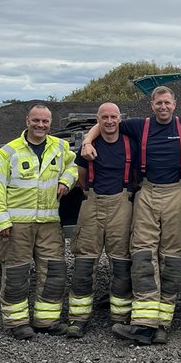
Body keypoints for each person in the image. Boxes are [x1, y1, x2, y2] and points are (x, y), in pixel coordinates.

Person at [79, 87, 181, 346]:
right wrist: (87, 141)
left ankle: (162, 324)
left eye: (167, 102)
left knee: (171, 257)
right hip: (147, 192)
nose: (163, 107)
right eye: (158, 103)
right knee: (143, 253)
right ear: (151, 105)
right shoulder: (138, 126)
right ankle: (144, 324)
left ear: (174, 104)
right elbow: (107, 123)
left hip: (175, 193)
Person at [0, 104, 77, 340]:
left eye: (45, 121)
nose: (40, 125)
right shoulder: (8, 152)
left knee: (53, 272)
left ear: (50, 123)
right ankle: (17, 323)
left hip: (48, 223)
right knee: (16, 273)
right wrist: (1, 221)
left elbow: (73, 166)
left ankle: (47, 321)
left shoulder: (60, 147)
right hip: (17, 225)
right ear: (27, 121)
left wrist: (66, 180)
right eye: (36, 120)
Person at [67, 102, 134, 339]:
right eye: (104, 117)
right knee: (85, 263)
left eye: (113, 117)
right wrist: (87, 141)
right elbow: (81, 178)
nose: (109, 121)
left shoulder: (130, 144)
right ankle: (78, 319)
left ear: (119, 118)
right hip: (92, 203)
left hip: (121, 205)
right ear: (98, 119)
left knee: (121, 263)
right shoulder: (88, 148)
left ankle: (120, 317)